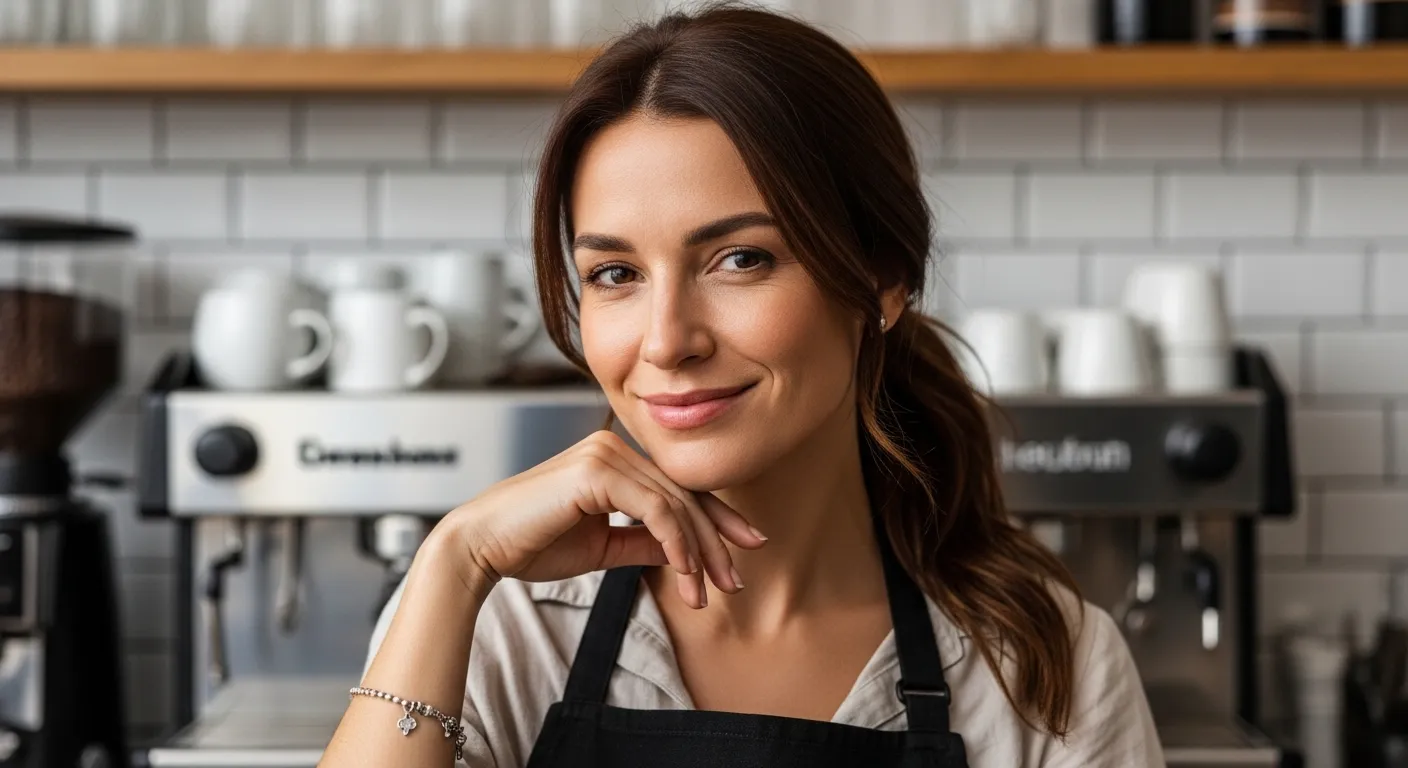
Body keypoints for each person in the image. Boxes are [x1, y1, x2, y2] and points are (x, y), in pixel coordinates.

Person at [320, 4, 1164, 767]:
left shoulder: (1045, 667)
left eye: (740, 259)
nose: (666, 341)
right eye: (615, 273)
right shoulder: (494, 626)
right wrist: (453, 559)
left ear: (881, 280)